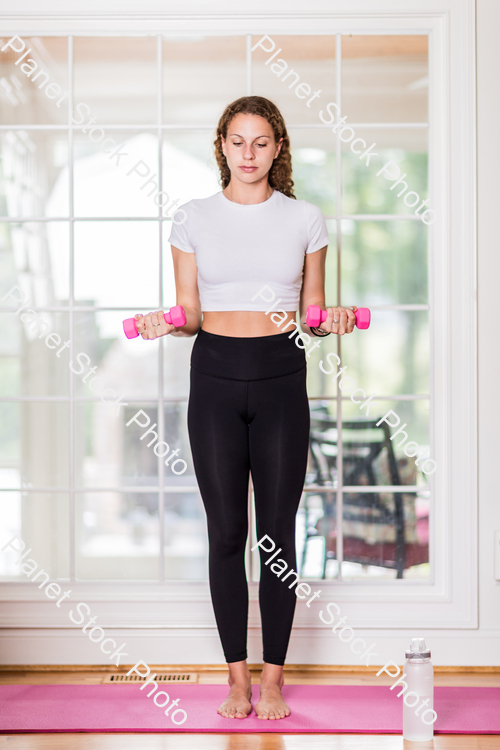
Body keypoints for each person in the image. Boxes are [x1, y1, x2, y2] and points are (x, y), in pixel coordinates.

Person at [133, 95, 357, 720]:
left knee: (276, 535)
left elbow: (312, 316)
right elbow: (192, 314)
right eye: (238, 141)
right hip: (215, 377)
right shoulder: (191, 218)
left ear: (278, 147)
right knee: (227, 533)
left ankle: (276, 679)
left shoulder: (306, 219)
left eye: (261, 142)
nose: (249, 153)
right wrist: (164, 322)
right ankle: (237, 680)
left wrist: (331, 320)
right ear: (222, 146)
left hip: (282, 374)